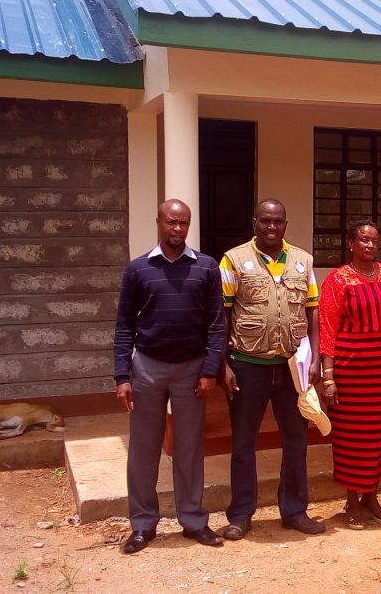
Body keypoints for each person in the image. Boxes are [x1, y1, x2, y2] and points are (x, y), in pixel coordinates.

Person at [113, 199, 225, 553]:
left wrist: (210, 370)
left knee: (190, 448)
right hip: (147, 367)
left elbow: (216, 325)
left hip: (191, 370)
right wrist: (122, 376)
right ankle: (143, 524)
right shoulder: (138, 270)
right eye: (171, 222)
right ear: (158, 222)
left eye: (184, 223)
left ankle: (193, 520)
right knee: (144, 449)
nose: (177, 229)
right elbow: (124, 327)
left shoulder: (206, 267)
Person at [218, 198, 325, 540]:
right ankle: (240, 513)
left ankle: (294, 510)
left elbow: (313, 313)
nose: (272, 227)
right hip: (248, 365)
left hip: (292, 366)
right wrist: (223, 365)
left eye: (278, 221)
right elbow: (221, 317)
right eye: (265, 221)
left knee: (296, 440)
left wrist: (317, 358)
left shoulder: (302, 261)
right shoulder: (233, 260)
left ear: (285, 224)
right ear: (254, 223)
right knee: (243, 441)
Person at [319, 220, 381, 530]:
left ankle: (372, 497)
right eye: (363, 240)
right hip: (353, 372)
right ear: (350, 244)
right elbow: (328, 328)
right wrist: (328, 377)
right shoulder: (337, 280)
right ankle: (352, 500)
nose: (370, 245)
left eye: (374, 240)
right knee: (352, 438)